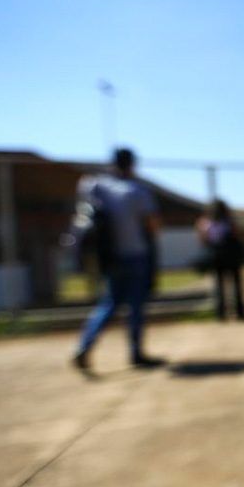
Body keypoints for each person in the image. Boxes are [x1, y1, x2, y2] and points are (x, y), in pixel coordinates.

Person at [72, 148, 165, 371]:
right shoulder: (137, 190)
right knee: (135, 305)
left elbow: (84, 207)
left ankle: (85, 346)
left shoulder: (96, 185)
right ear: (132, 165)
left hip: (109, 256)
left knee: (109, 303)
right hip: (136, 254)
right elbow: (152, 226)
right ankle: (136, 353)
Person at [196, 199, 244, 321]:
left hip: (217, 256)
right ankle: (240, 313)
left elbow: (202, 240)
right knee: (236, 284)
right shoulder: (229, 221)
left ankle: (221, 314)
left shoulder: (206, 223)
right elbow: (240, 235)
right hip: (231, 256)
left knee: (219, 285)